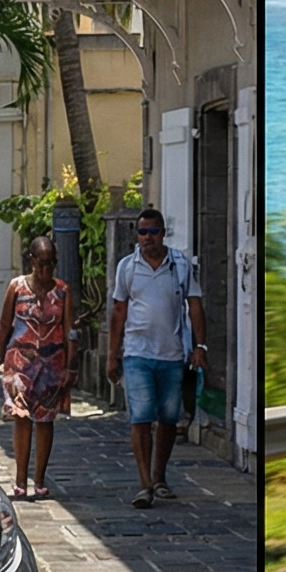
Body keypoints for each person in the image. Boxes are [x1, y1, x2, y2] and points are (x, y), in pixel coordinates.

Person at [107, 207, 205, 509]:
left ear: (163, 233)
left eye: (153, 231)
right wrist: (112, 355)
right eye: (142, 232)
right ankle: (145, 485)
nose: (147, 237)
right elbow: (119, 311)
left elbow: (194, 305)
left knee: (168, 418)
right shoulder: (127, 267)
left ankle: (159, 476)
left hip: (172, 353)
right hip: (137, 353)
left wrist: (200, 346)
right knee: (140, 417)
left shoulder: (180, 265)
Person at [0, 235, 72, 500]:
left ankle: (40, 480)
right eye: (41, 263)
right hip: (19, 364)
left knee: (45, 420)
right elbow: (4, 325)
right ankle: (20, 479)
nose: (46, 269)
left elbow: (69, 331)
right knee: (21, 417)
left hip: (51, 365)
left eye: (51, 263)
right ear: (32, 261)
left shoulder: (62, 290)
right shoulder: (17, 287)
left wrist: (71, 366)